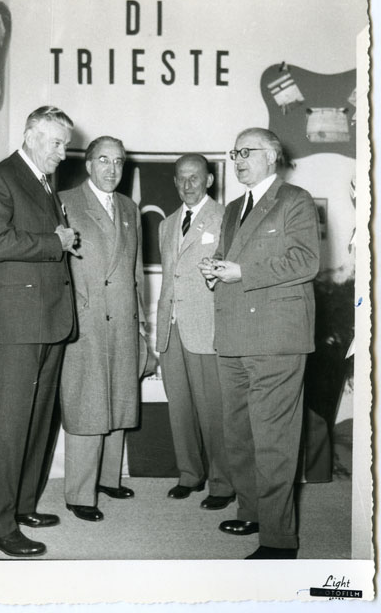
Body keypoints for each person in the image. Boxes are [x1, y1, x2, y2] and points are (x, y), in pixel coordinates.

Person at [199, 128, 320, 559]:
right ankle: (251, 511)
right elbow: (232, 260)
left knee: (273, 440)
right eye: (234, 153)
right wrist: (215, 269)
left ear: (271, 155)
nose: (238, 160)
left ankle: (278, 540)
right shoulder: (234, 207)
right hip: (233, 335)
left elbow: (306, 260)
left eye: (246, 152)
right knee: (240, 436)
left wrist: (242, 272)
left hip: (276, 338)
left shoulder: (295, 200)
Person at [0, 106, 78, 557]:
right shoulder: (0, 179)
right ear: (31, 135)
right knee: (8, 425)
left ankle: (21, 506)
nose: (63, 153)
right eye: (56, 143)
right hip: (17, 322)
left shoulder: (42, 181)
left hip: (48, 318)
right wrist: (57, 242)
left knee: (36, 422)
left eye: (65, 145)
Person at [60, 135, 145, 522]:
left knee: (118, 398)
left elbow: (135, 269)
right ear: (89, 164)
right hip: (86, 318)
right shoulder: (65, 201)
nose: (112, 169)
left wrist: (140, 322)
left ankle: (109, 478)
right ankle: (79, 493)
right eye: (104, 160)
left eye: (119, 161)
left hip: (123, 318)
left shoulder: (129, 207)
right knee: (87, 401)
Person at [156, 154, 235, 509]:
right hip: (171, 328)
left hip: (206, 329)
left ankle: (223, 482)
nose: (188, 184)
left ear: (209, 180)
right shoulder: (166, 224)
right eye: (182, 178)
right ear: (175, 182)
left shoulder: (226, 217)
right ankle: (189, 474)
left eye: (195, 177)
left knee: (213, 411)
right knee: (180, 409)